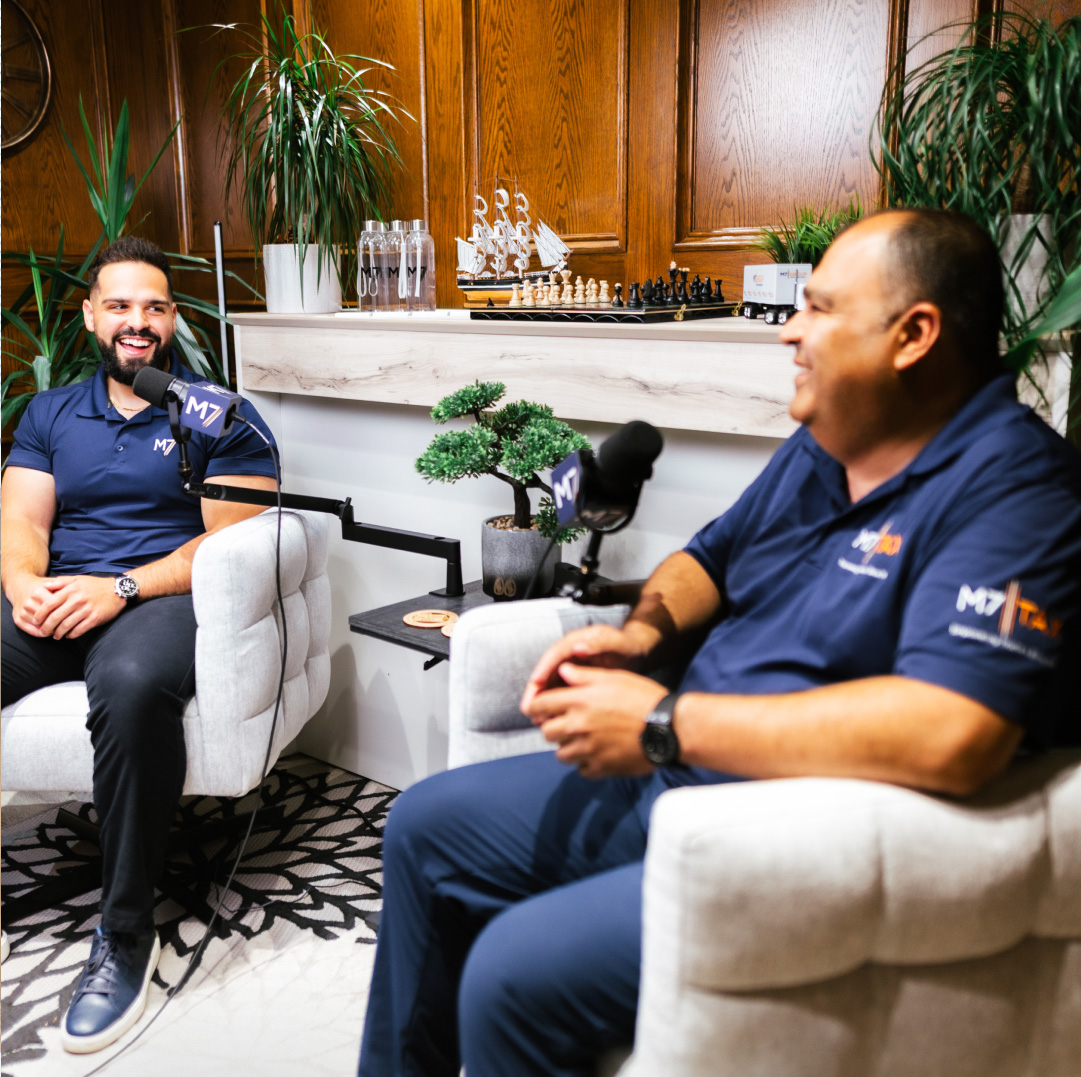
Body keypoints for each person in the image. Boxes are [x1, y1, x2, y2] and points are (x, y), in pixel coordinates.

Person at [356, 208, 1081, 1077]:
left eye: (818, 308)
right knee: (422, 825)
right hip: (680, 766)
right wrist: (636, 639)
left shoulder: (1017, 490)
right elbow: (702, 561)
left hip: (787, 828)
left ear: (913, 334)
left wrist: (663, 723)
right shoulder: (825, 445)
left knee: (510, 975)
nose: (790, 331)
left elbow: (954, 731)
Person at [1, 236, 279, 1054]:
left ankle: (124, 933)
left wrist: (119, 587)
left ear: (173, 319)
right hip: (59, 597)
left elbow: (229, 543)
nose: (138, 320)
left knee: (127, 687)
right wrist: (23, 584)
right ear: (90, 316)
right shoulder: (50, 412)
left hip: (160, 599)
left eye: (154, 306)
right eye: (120, 304)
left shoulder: (218, 414)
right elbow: (21, 520)